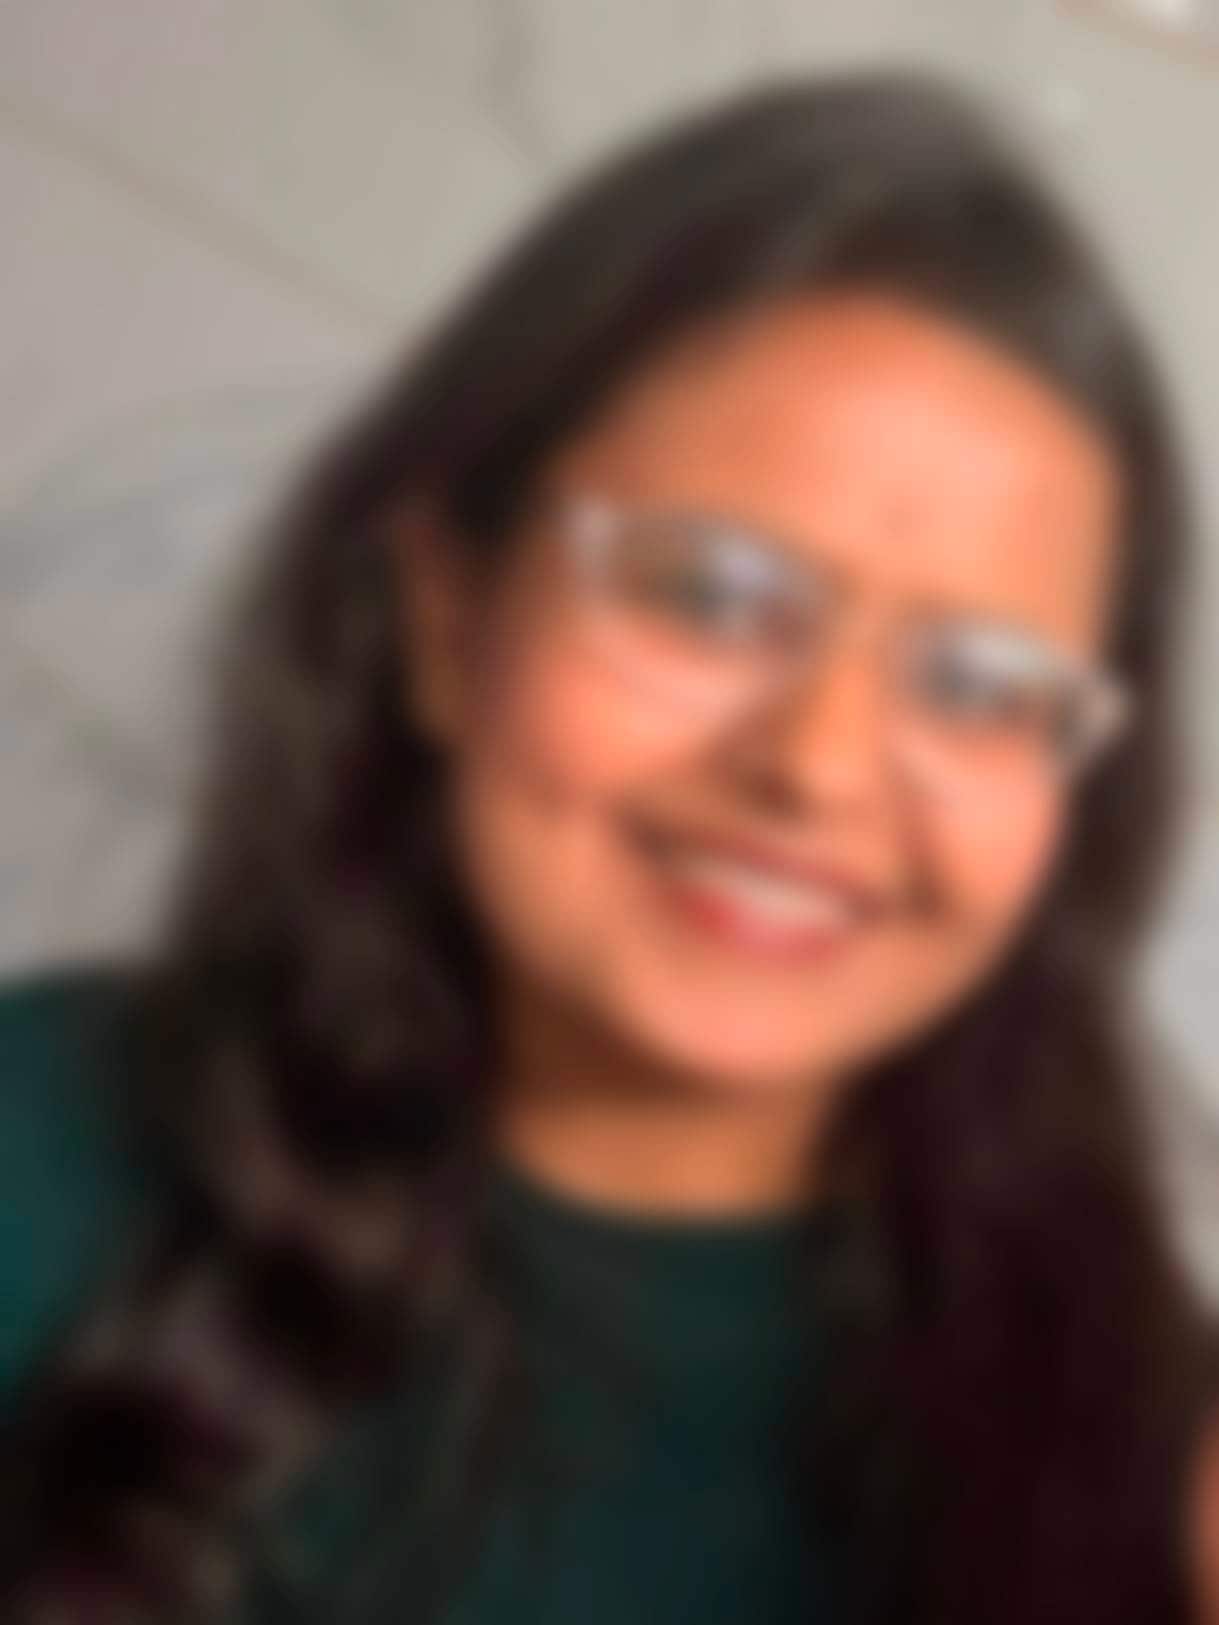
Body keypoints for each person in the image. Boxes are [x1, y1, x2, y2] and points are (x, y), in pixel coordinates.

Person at [1, 66, 1216, 1625]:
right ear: (446, 617)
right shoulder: (41, 1150)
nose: (819, 764)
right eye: (708, 594)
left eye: (979, 684)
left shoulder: (1150, 1443)